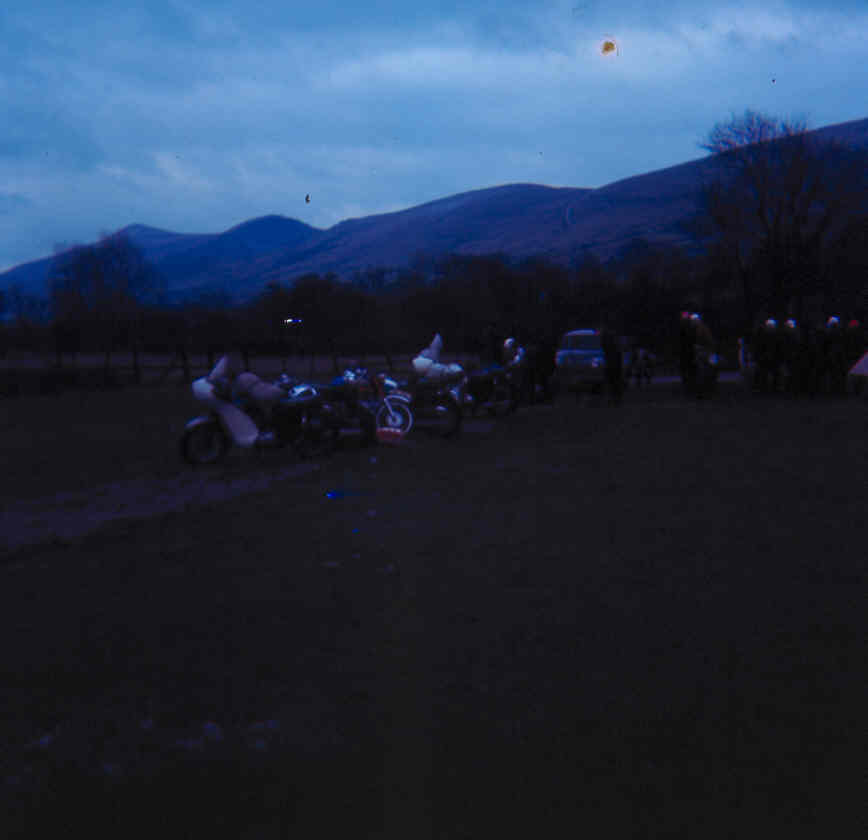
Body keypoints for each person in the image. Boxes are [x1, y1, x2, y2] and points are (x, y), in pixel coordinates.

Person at [600, 324, 623, 406]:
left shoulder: (609, 343)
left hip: (612, 364)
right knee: (614, 382)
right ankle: (615, 399)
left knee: (612, 382)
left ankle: (614, 399)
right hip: (613, 364)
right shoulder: (613, 344)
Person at [678, 311, 697, 397]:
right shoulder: (682, 327)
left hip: (690, 351)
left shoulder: (691, 327)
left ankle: (691, 386)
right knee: (686, 370)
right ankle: (688, 386)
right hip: (685, 352)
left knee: (690, 369)